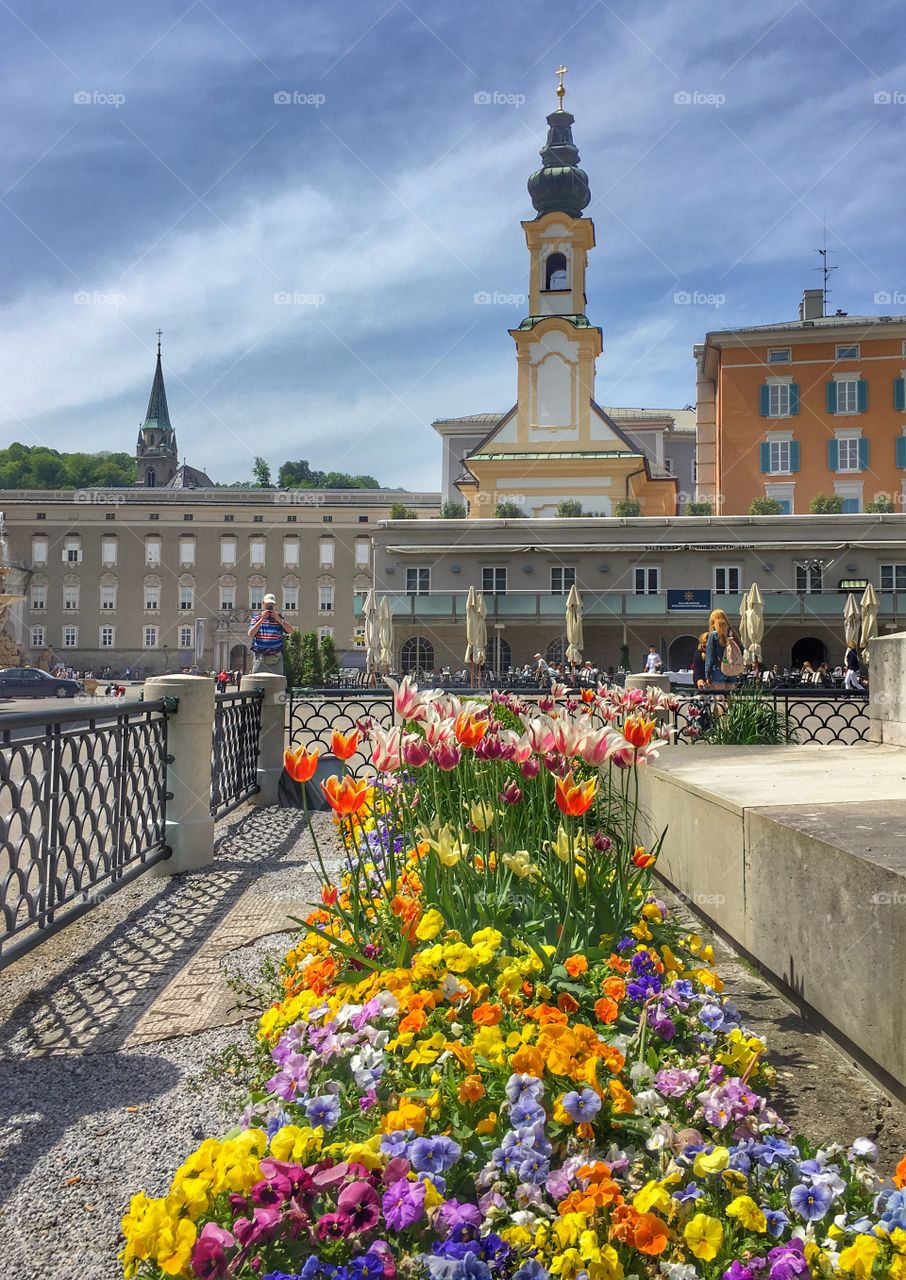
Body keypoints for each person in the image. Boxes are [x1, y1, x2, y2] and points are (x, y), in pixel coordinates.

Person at [248, 594, 293, 674]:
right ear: (263, 604)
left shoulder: (279, 619)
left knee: (277, 680)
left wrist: (279, 620)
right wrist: (261, 620)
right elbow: (251, 634)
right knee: (258, 679)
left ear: (275, 606)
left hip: (276, 656)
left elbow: (290, 630)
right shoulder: (256, 618)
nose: (269, 607)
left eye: (271, 605)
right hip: (260, 656)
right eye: (268, 605)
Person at [704, 608, 743, 690]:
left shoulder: (714, 635)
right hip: (732, 670)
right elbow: (741, 651)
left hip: (719, 669)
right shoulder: (734, 633)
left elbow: (710, 658)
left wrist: (707, 675)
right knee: (728, 696)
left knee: (719, 696)